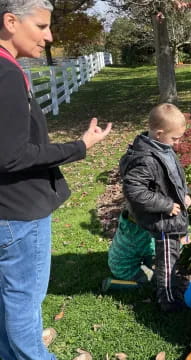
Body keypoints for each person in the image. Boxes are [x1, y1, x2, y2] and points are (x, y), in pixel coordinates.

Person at [0, 1, 112, 359]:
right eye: (42, 26)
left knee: (10, 298)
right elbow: (12, 155)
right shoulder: (6, 74)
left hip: (8, 209)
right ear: (11, 21)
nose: (49, 37)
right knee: (22, 300)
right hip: (20, 212)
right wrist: (80, 146)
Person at [120, 103, 191, 312]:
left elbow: (175, 175)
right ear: (159, 134)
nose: (178, 143)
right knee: (167, 260)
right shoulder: (145, 159)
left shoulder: (163, 148)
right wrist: (167, 204)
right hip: (163, 218)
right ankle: (168, 300)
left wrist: (184, 193)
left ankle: (173, 285)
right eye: (175, 138)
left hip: (171, 212)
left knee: (173, 254)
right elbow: (135, 192)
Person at [104, 211, 155, 290]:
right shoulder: (142, 238)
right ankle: (114, 284)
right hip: (126, 271)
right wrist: (180, 243)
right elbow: (152, 255)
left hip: (116, 262)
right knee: (150, 277)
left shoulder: (126, 222)